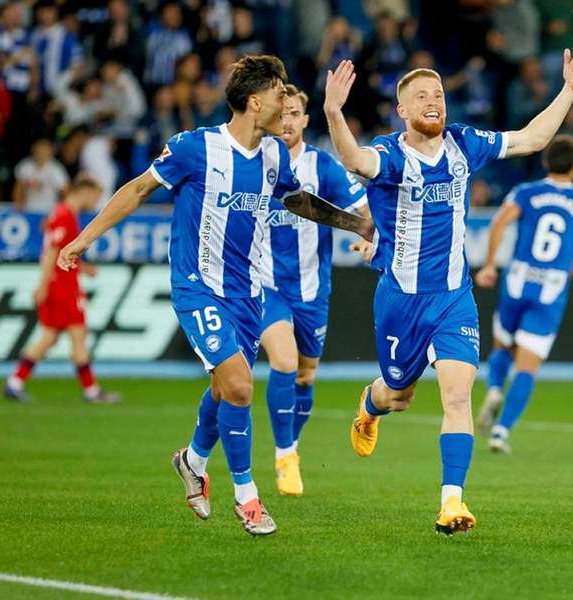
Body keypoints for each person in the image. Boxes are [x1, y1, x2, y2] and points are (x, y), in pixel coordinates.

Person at [55, 55, 372, 537]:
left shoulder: (273, 156)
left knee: (225, 387)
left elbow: (297, 201)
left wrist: (359, 223)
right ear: (253, 102)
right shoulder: (195, 148)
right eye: (279, 92)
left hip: (248, 295)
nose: (287, 101)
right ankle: (247, 497)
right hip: (198, 286)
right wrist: (85, 237)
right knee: (242, 386)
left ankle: (192, 460)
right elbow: (139, 189)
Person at [323, 43, 573, 535]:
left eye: (439, 93)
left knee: (458, 397)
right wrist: (335, 112)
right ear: (402, 110)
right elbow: (354, 159)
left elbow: (531, 139)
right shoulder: (389, 154)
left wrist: (569, 90)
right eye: (421, 95)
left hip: (454, 299)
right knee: (398, 395)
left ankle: (452, 502)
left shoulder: (465, 144)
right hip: (401, 301)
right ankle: (370, 404)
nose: (434, 101)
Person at [258, 84, 369, 497]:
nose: (286, 121)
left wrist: (368, 234)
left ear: (305, 120)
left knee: (306, 374)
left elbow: (361, 209)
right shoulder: (254, 162)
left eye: (293, 114)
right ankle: (284, 454)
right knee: (284, 361)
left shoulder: (322, 166)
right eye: (280, 113)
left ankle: (293, 446)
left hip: (312, 290)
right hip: (264, 286)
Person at [474, 135, 573, 453]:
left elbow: (498, 223)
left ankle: (495, 387)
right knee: (527, 367)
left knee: (502, 345)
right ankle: (501, 432)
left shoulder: (526, 192)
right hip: (550, 288)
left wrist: (490, 265)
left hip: (517, 279)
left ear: (546, 162)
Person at [3, 174, 119, 404]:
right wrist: (42, 285)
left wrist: (82, 268)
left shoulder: (61, 213)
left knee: (49, 338)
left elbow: (58, 252)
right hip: (62, 287)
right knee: (78, 336)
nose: (95, 201)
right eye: (95, 196)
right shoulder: (66, 216)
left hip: (60, 283)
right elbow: (52, 254)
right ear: (84, 192)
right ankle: (91, 390)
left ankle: (15, 382)